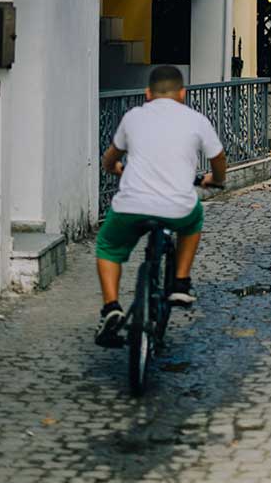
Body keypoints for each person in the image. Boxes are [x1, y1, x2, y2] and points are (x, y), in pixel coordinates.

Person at [94, 64, 227, 346]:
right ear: (182, 93)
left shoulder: (133, 117)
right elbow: (218, 156)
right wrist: (216, 179)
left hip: (131, 206)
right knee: (195, 218)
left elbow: (111, 156)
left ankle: (111, 307)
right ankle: (180, 282)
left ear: (147, 94)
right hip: (177, 207)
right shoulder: (196, 119)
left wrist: (114, 167)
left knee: (108, 245)